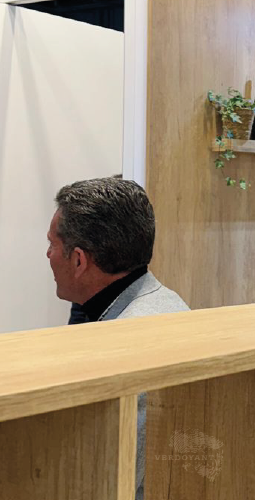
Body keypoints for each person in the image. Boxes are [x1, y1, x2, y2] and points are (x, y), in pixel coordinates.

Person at [48, 177, 189, 500]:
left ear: (79, 260)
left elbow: (105, 479)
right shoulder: (164, 302)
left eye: (52, 245)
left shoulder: (128, 349)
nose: (48, 255)